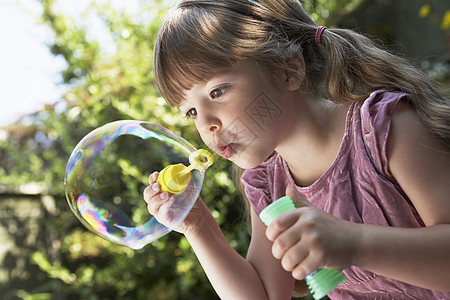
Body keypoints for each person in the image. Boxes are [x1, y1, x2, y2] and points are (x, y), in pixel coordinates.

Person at [143, 0, 450, 299]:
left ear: (287, 70)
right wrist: (197, 225)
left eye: (217, 91)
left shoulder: (383, 130)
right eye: (191, 112)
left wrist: (355, 244)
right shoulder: (270, 188)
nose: (206, 124)